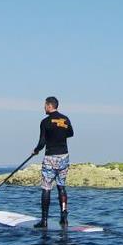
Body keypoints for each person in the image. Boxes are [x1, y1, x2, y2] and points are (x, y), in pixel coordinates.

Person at [31, 96, 73, 228]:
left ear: (50, 106)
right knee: (61, 187)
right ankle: (64, 218)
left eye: (45, 105)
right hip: (64, 157)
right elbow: (70, 133)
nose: (44, 107)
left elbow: (42, 142)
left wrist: (36, 150)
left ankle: (44, 221)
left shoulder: (45, 122)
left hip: (50, 157)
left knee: (46, 188)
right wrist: (60, 133)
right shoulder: (65, 119)